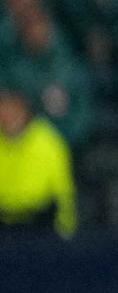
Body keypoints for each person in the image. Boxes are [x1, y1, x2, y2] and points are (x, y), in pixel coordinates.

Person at [0, 83, 75, 236]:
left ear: (26, 110)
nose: (8, 115)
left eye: (14, 108)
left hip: (38, 224)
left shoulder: (47, 140)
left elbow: (63, 192)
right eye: (3, 108)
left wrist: (66, 232)